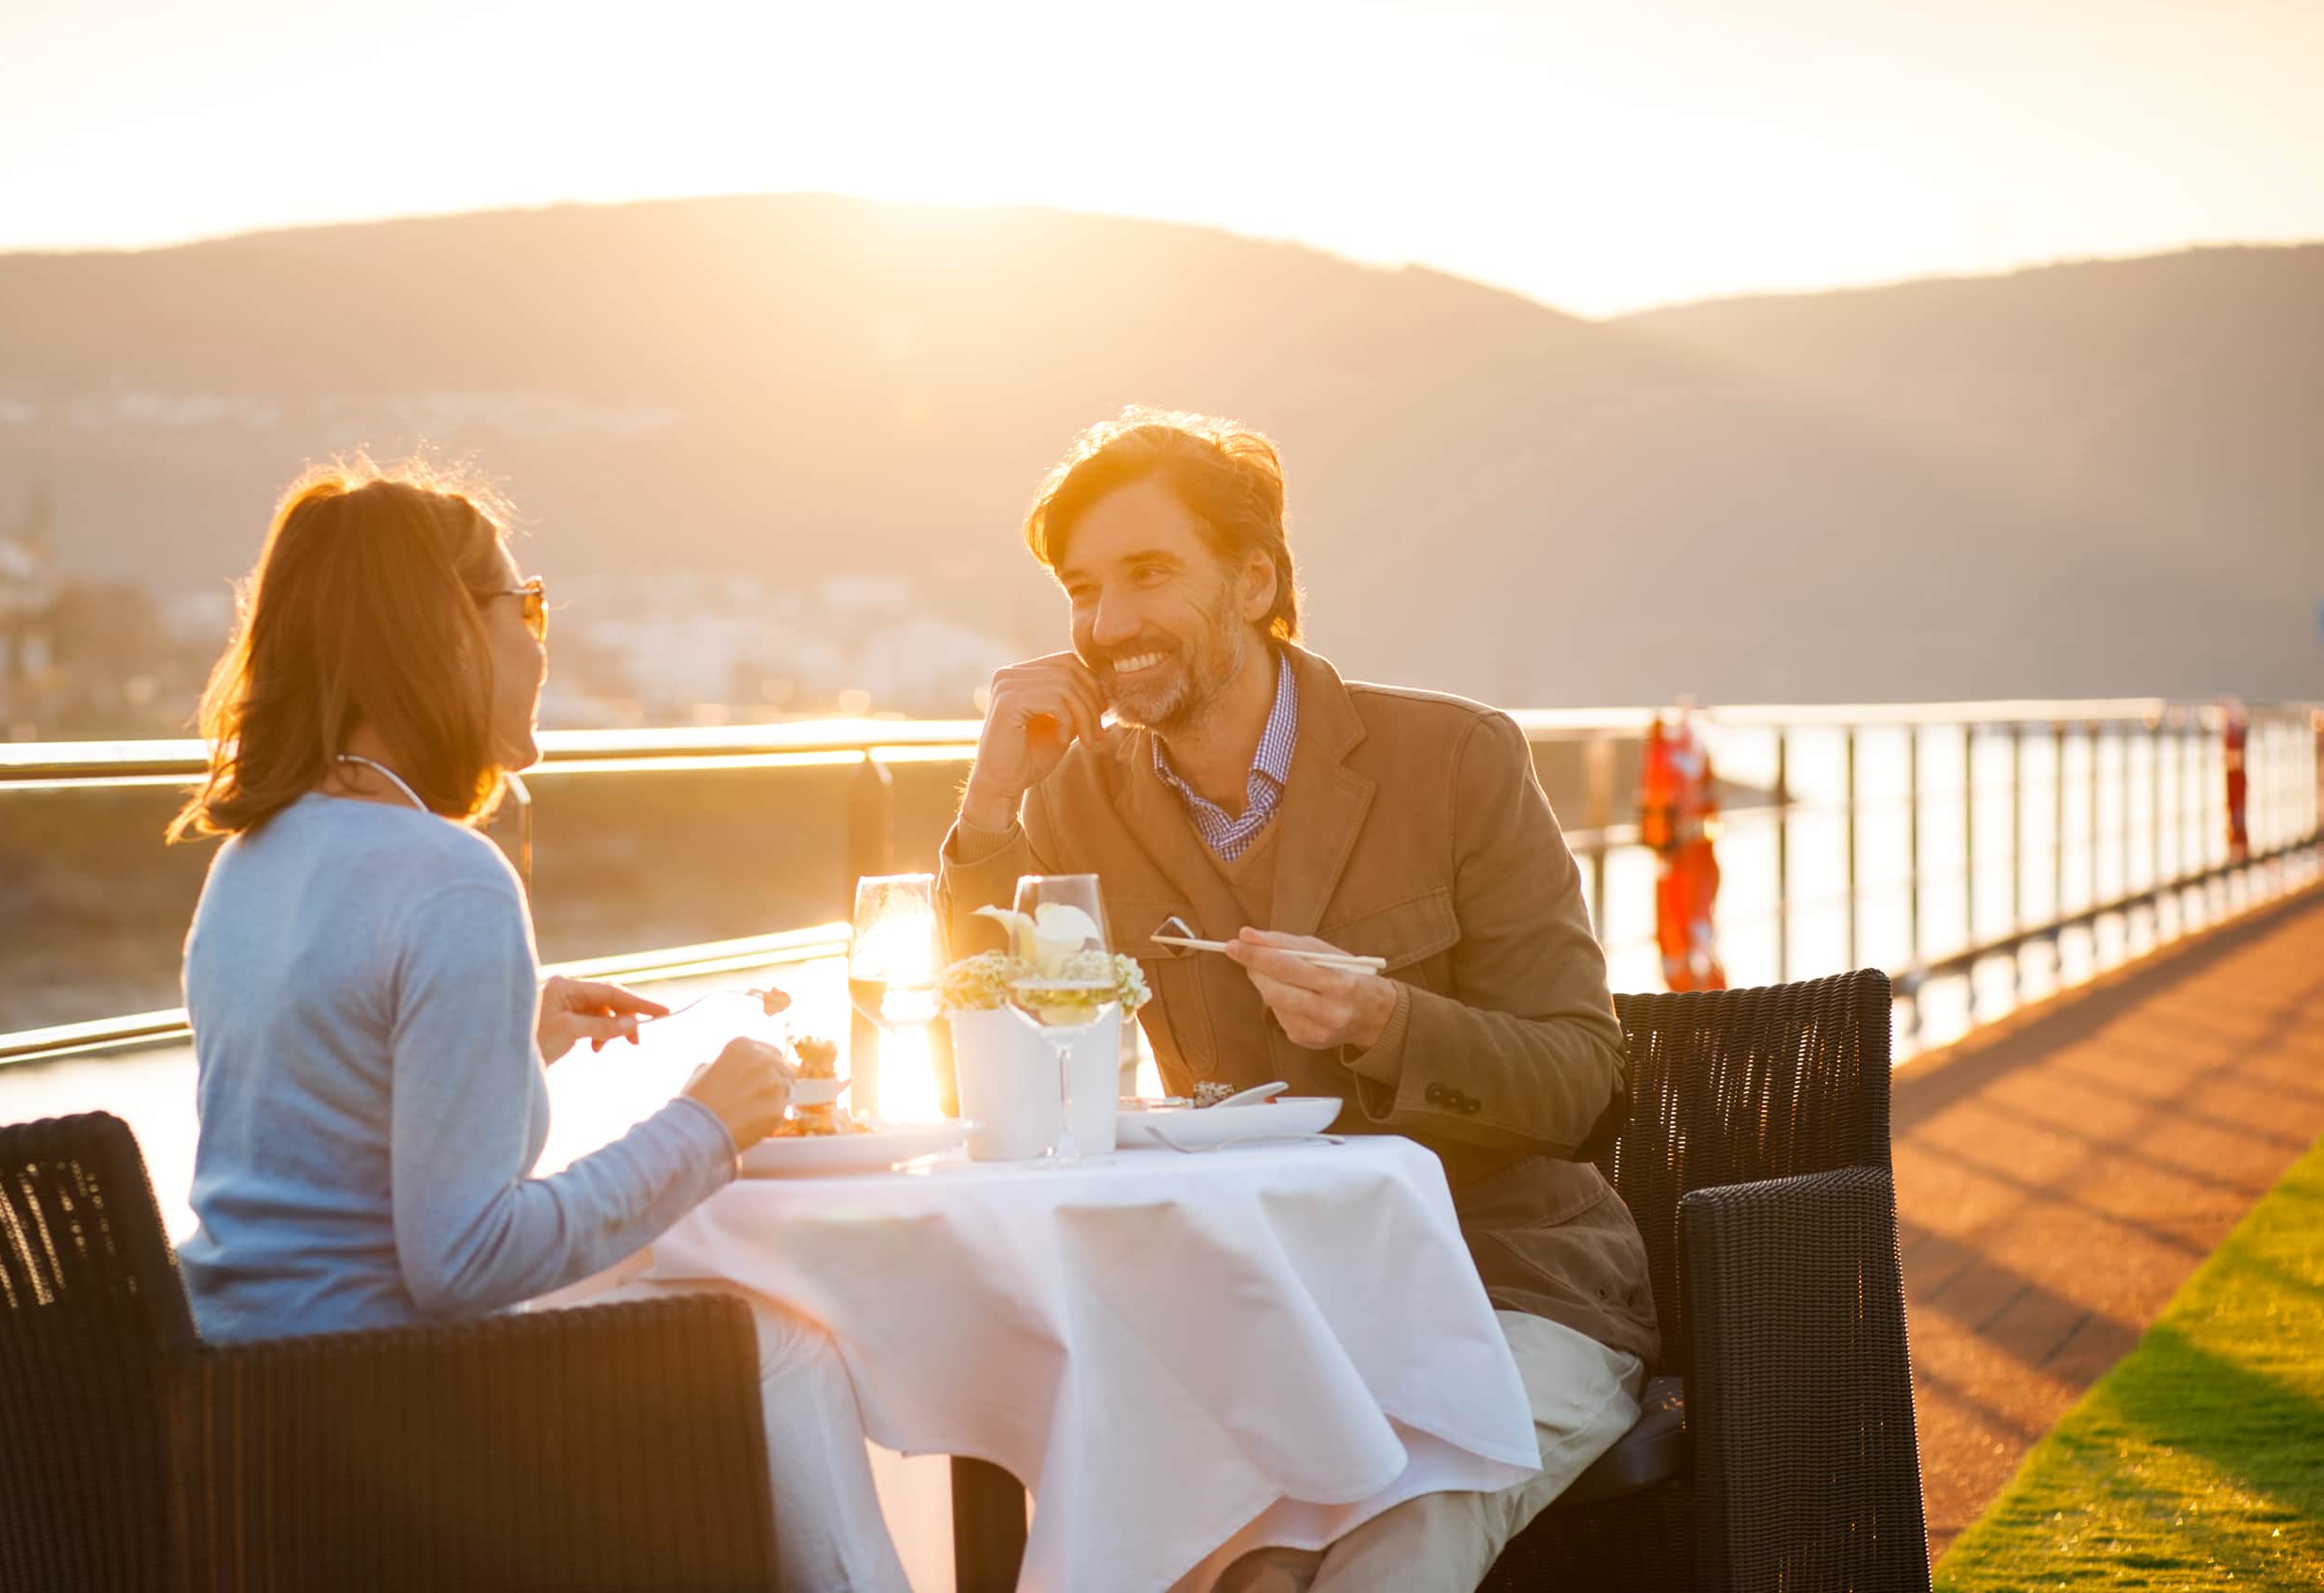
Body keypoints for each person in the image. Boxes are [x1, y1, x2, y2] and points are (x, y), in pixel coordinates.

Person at [938, 410, 1660, 1592]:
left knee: (1394, 1543)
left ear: (1256, 578)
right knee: (1194, 1563)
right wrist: (987, 806)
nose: (1108, 625)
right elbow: (999, 1069)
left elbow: (1580, 1081)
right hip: (1257, 1306)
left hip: (1507, 1286)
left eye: (1148, 575)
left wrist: (1388, 1025)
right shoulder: (1070, 804)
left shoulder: (1458, 760)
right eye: (1082, 590)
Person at [168, 457, 907, 1593]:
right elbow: (463, 1262)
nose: (543, 642)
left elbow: (322, 1122)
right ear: (441, 633)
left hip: (248, 1391)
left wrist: (510, 1040)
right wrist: (708, 1127)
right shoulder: (449, 878)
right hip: (380, 1415)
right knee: (781, 1355)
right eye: (529, 606)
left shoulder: (253, 858)